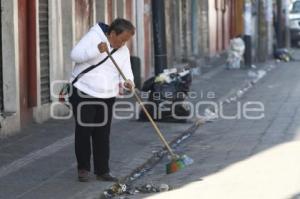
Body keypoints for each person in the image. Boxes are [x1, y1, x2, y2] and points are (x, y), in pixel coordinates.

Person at [69, 18, 135, 182]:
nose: (123, 43)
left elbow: (126, 71)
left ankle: (102, 170)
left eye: (126, 40)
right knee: (84, 130)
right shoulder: (94, 37)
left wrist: (128, 82)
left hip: (107, 95)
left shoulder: (123, 50)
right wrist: (96, 50)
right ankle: (83, 168)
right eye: (122, 39)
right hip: (84, 91)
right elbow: (74, 55)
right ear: (112, 33)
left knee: (102, 133)